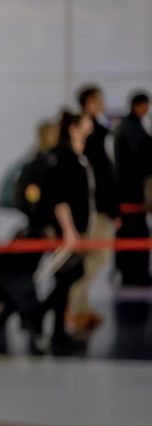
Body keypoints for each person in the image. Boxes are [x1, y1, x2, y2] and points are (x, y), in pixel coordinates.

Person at [37, 111, 94, 355]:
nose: (90, 124)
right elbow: (59, 197)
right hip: (65, 231)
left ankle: (42, 317)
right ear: (73, 128)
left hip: (77, 228)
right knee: (64, 278)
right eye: (86, 121)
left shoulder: (76, 156)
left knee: (71, 276)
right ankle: (54, 331)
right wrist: (69, 231)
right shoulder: (64, 157)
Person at [67, 86, 121, 330]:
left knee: (92, 259)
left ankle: (81, 306)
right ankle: (74, 305)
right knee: (95, 258)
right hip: (95, 209)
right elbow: (99, 178)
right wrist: (112, 209)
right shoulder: (92, 137)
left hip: (97, 207)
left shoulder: (100, 131)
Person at [114, 91, 152, 286]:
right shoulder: (132, 128)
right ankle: (135, 274)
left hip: (128, 191)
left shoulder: (128, 126)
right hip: (131, 193)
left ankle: (130, 273)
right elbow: (141, 157)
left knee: (130, 233)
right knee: (135, 233)